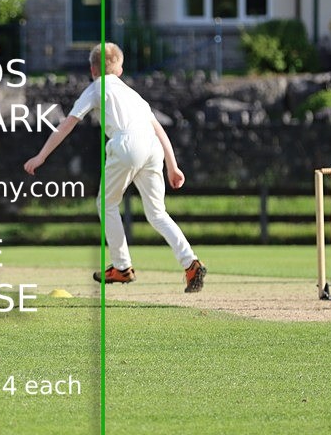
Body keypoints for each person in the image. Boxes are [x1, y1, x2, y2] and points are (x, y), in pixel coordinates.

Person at [24, 43, 206, 293]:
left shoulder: (95, 87)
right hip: (152, 147)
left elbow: (67, 124)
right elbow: (158, 129)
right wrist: (172, 166)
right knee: (157, 213)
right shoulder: (133, 94)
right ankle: (190, 263)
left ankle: (122, 267)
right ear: (119, 70)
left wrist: (41, 156)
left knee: (106, 203)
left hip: (126, 144)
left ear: (92, 69)